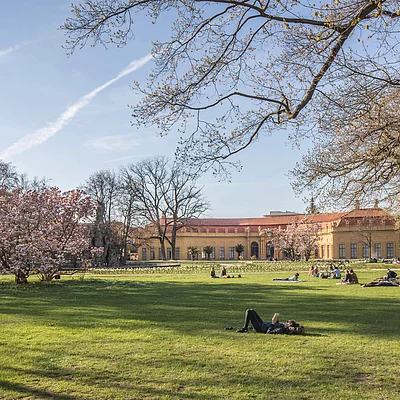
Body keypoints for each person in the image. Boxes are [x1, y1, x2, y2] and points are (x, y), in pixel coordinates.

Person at [236, 309, 305, 334]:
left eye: (287, 322)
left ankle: (245, 328)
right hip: (263, 324)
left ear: (289, 325)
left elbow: (269, 332)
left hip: (260, 328)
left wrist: (272, 323)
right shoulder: (281, 326)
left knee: (249, 312)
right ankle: (247, 327)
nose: (285, 322)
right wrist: (276, 319)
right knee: (252, 310)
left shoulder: (281, 329)